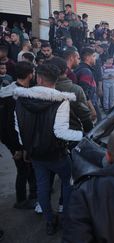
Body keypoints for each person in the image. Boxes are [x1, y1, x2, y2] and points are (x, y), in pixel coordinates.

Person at [14, 64, 83, 235]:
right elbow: (60, 132)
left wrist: (28, 148)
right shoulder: (62, 100)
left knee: (42, 188)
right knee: (68, 183)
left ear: (39, 78)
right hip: (56, 154)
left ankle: (50, 222)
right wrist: (83, 135)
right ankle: (66, 218)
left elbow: (19, 130)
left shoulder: (21, 98)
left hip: (35, 154)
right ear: (56, 80)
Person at [0, 62, 36, 210]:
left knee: (29, 167)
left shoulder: (12, 90)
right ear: (30, 74)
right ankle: (21, 200)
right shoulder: (15, 95)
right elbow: (9, 126)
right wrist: (17, 148)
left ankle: (34, 194)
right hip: (17, 143)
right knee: (23, 169)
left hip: (18, 141)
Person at [47, 57, 93, 134]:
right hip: (72, 133)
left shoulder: (43, 89)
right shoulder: (76, 89)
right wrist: (89, 132)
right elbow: (84, 116)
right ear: (66, 70)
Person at [75, 48, 98, 122]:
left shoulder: (81, 68)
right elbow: (84, 92)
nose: (95, 58)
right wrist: (92, 108)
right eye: (94, 56)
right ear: (88, 57)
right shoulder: (86, 71)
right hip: (88, 105)